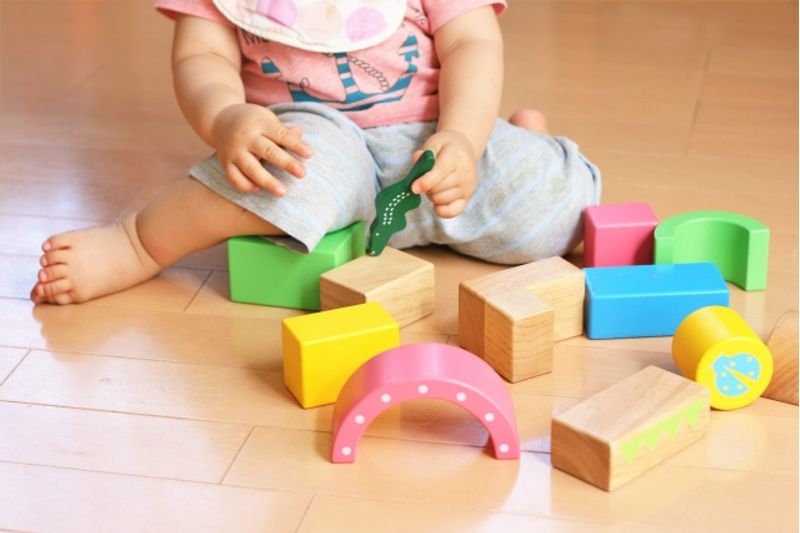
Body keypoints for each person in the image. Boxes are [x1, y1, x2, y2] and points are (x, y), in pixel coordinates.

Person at [30, 0, 600, 305]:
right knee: (272, 178)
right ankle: (139, 242)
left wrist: (467, 138)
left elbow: (471, 42)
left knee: (557, 212)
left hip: (436, 136)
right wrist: (226, 117)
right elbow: (200, 59)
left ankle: (518, 140)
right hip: (314, 142)